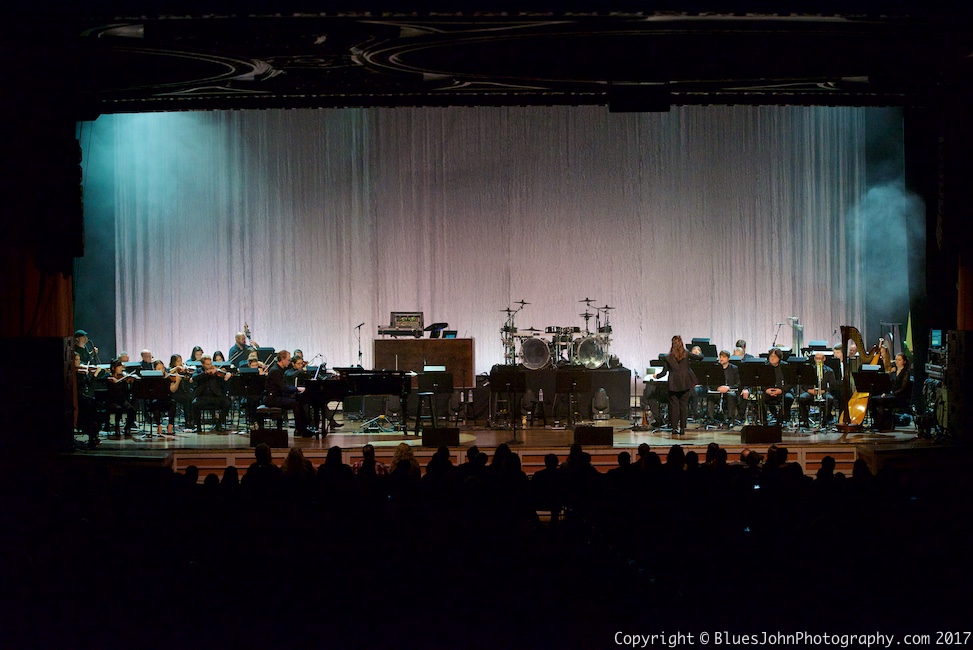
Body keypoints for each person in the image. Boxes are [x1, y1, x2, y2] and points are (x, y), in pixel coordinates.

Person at [263, 350, 313, 437]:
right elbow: (283, 388)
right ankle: (301, 430)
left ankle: (301, 429)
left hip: (276, 396)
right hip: (272, 399)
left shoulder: (278, 369)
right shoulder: (275, 370)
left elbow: (283, 387)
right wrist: (297, 389)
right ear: (282, 359)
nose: (289, 362)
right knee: (296, 403)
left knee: (298, 401)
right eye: (288, 360)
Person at [655, 335, 697, 435]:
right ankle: (682, 428)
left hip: (673, 385)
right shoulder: (686, 354)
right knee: (683, 406)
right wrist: (699, 353)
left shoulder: (668, 357)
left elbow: (664, 373)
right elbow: (700, 358)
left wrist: (656, 376)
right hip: (685, 383)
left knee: (674, 407)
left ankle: (674, 429)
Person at [869, 353, 913, 430]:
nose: (897, 361)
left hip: (900, 396)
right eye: (896, 359)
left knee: (881, 401)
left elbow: (903, 388)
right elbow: (888, 385)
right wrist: (885, 393)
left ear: (904, 361)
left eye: (899, 360)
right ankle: (878, 422)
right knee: (873, 399)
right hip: (892, 394)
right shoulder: (893, 373)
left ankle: (881, 424)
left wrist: (892, 393)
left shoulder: (906, 373)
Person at [191, 354, 231, 431]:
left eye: (210, 364)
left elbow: (223, 384)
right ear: (203, 364)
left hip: (215, 396)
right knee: (194, 404)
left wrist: (225, 377)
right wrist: (206, 373)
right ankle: (198, 427)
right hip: (202, 397)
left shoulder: (216, 372)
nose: (210, 366)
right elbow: (194, 378)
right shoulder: (199, 371)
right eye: (207, 364)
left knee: (227, 403)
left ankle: (218, 425)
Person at [798, 351, 836, 427]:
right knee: (802, 398)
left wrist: (823, 391)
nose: (818, 360)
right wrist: (809, 390)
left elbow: (833, 385)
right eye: (817, 358)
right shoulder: (809, 370)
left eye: (820, 358)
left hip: (823, 392)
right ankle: (805, 420)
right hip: (811, 392)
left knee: (829, 399)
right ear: (814, 359)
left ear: (824, 359)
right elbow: (803, 385)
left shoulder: (829, 371)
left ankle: (825, 421)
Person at [709, 350, 741, 427]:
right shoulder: (715, 368)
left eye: (723, 357)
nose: (721, 358)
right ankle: (711, 419)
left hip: (730, 391)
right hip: (718, 391)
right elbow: (711, 383)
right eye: (720, 357)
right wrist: (718, 388)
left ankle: (731, 420)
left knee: (731, 396)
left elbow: (738, 383)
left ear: (728, 358)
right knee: (711, 396)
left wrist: (728, 388)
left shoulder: (734, 368)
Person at [105, 359, 137, 435]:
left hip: (122, 400)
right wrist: (110, 379)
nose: (121, 369)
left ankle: (127, 427)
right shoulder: (109, 377)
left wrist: (130, 383)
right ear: (113, 368)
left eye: (121, 367)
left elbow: (128, 391)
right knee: (118, 409)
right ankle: (117, 427)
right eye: (118, 367)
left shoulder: (124, 377)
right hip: (112, 401)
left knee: (132, 410)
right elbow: (101, 379)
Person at [763, 348, 795, 425]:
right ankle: (764, 419)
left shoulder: (786, 366)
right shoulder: (764, 367)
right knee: (759, 398)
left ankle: (782, 418)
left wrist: (781, 390)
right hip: (768, 391)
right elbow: (761, 381)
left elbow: (791, 383)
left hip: (783, 391)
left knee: (789, 397)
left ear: (779, 358)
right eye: (771, 356)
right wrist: (766, 390)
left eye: (775, 356)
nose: (772, 358)